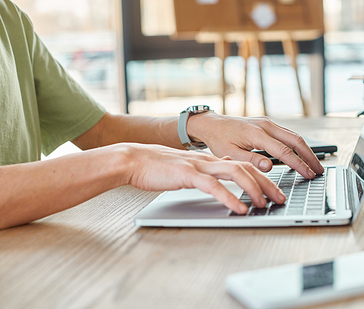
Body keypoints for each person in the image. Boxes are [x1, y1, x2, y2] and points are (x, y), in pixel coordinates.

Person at [0, 0, 323, 230]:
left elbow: (96, 130)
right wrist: (127, 161)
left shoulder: (8, 16)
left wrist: (197, 125)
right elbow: (112, 149)